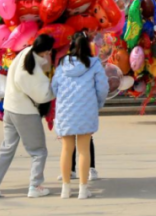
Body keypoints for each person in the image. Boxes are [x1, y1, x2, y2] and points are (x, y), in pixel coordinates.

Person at [0, 34, 56, 199]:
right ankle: (35, 185)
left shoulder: (25, 53)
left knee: (6, 149)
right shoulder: (32, 70)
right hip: (25, 113)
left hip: (9, 109)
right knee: (38, 151)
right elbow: (43, 96)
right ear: (48, 50)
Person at [51, 31, 108, 199]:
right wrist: (97, 103)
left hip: (65, 111)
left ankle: (65, 189)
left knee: (66, 149)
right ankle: (83, 189)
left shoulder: (62, 64)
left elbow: (54, 86)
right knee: (84, 150)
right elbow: (103, 87)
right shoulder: (95, 63)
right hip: (86, 110)